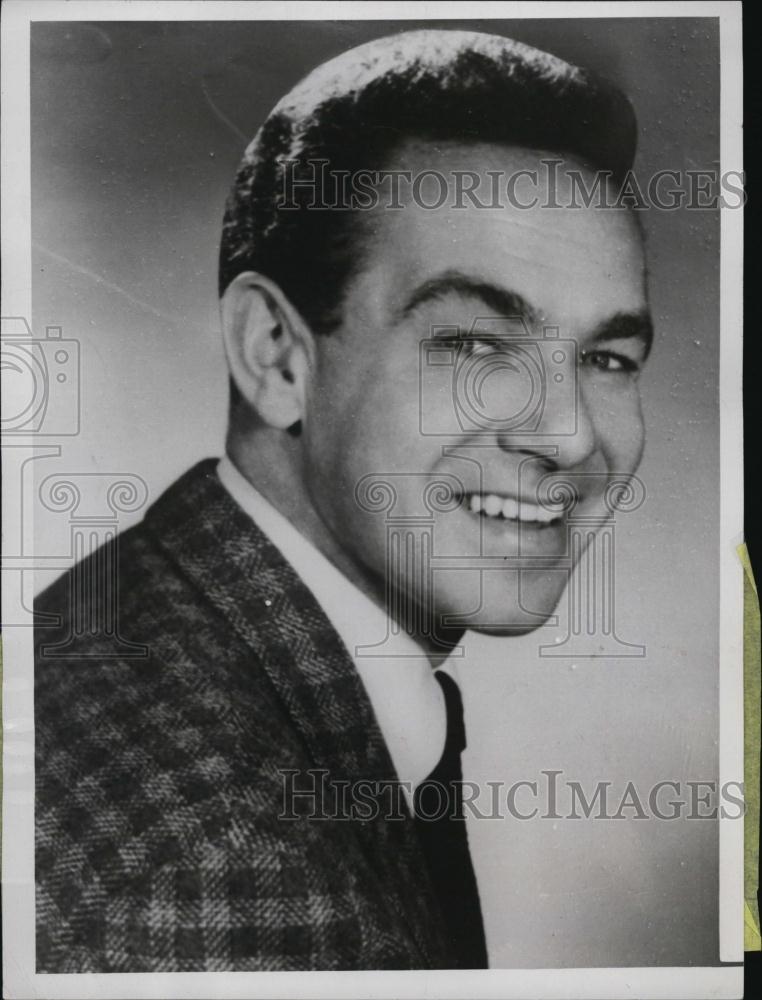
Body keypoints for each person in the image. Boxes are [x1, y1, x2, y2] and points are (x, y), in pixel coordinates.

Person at [34, 28, 652, 972]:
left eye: (607, 359)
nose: (567, 436)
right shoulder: (231, 873)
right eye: (478, 346)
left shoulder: (137, 620)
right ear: (276, 355)